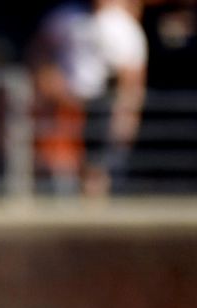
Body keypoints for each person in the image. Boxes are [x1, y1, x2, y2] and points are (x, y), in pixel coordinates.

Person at [27, 0, 147, 197]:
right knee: (56, 163)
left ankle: (94, 213)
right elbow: (39, 52)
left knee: (96, 166)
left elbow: (131, 78)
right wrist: (48, 77)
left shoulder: (122, 26)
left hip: (101, 102)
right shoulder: (65, 16)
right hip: (64, 103)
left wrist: (126, 116)